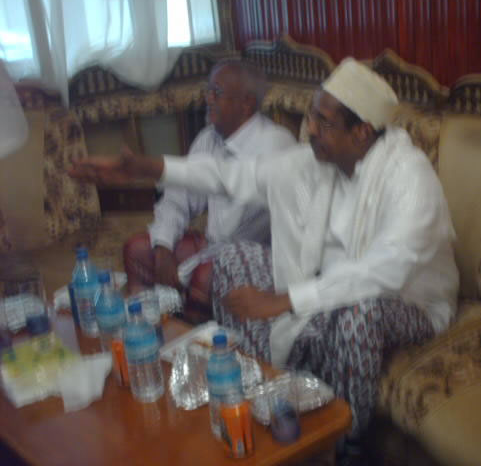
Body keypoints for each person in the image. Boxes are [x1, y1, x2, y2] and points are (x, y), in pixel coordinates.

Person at [70, 57, 459, 455]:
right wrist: (146, 167)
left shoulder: (409, 177)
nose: (310, 129)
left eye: (324, 123)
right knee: (232, 257)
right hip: (325, 282)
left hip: (408, 303)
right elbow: (231, 176)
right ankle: (267, 392)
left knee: (358, 312)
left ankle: (345, 440)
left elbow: (385, 271)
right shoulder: (316, 162)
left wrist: (284, 300)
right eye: (312, 116)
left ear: (361, 132)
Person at [122, 59, 297, 313]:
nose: (208, 99)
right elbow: (176, 198)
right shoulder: (209, 137)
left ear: (246, 103)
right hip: (213, 248)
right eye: (208, 91)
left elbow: (242, 235)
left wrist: (189, 267)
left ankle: (193, 332)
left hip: (260, 258)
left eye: (217, 92)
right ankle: (149, 325)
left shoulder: (275, 144)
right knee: (138, 250)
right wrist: (163, 246)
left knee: (203, 277)